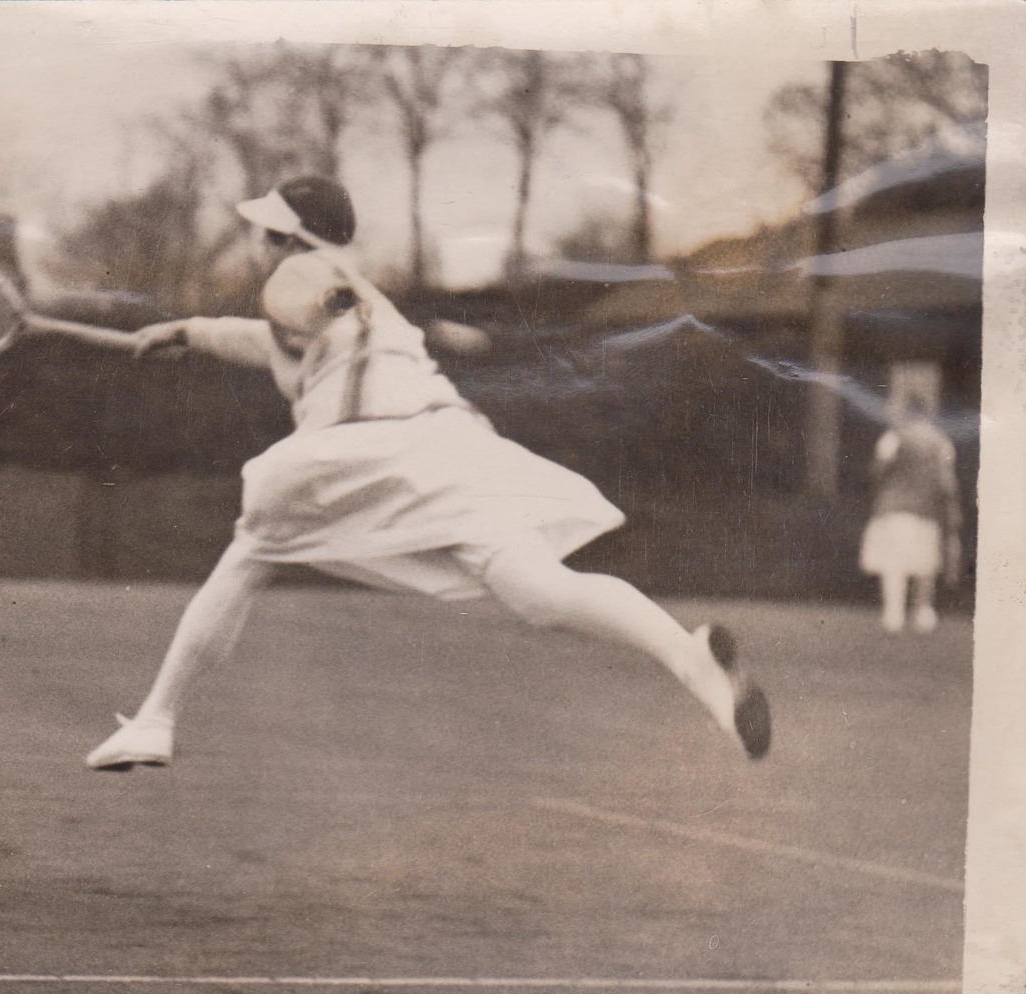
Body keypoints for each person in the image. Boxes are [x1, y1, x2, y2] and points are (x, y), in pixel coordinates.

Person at [86, 175, 771, 770]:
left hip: (361, 448)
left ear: (287, 237)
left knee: (247, 554)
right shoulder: (358, 307)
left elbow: (306, 298)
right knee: (539, 592)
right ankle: (691, 660)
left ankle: (155, 719)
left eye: (268, 234)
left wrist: (306, 300)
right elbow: (267, 336)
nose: (262, 247)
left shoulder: (306, 273)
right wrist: (187, 331)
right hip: (454, 446)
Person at [860, 391, 963, 633]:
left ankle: (893, 614)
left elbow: (877, 470)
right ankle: (924, 613)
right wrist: (951, 509)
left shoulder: (894, 437)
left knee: (894, 562)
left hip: (894, 507)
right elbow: (947, 482)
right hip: (927, 510)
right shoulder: (941, 441)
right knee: (925, 562)